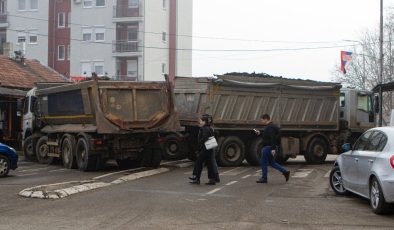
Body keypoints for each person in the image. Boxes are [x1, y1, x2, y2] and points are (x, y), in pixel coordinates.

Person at [254, 114, 290, 183]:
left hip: (268, 147)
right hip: (271, 147)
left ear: (266, 119)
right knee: (272, 163)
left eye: (262, 120)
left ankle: (264, 178)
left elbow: (272, 138)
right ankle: (285, 172)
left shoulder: (270, 127)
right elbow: (268, 137)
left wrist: (273, 148)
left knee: (263, 161)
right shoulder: (271, 126)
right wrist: (260, 133)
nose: (261, 122)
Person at [189, 114, 220, 185]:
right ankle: (212, 179)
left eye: (201, 121)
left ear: (204, 122)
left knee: (198, 162)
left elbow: (205, 137)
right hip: (210, 148)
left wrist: (199, 143)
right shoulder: (209, 128)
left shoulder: (204, 128)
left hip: (205, 149)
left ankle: (195, 177)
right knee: (209, 164)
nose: (199, 122)